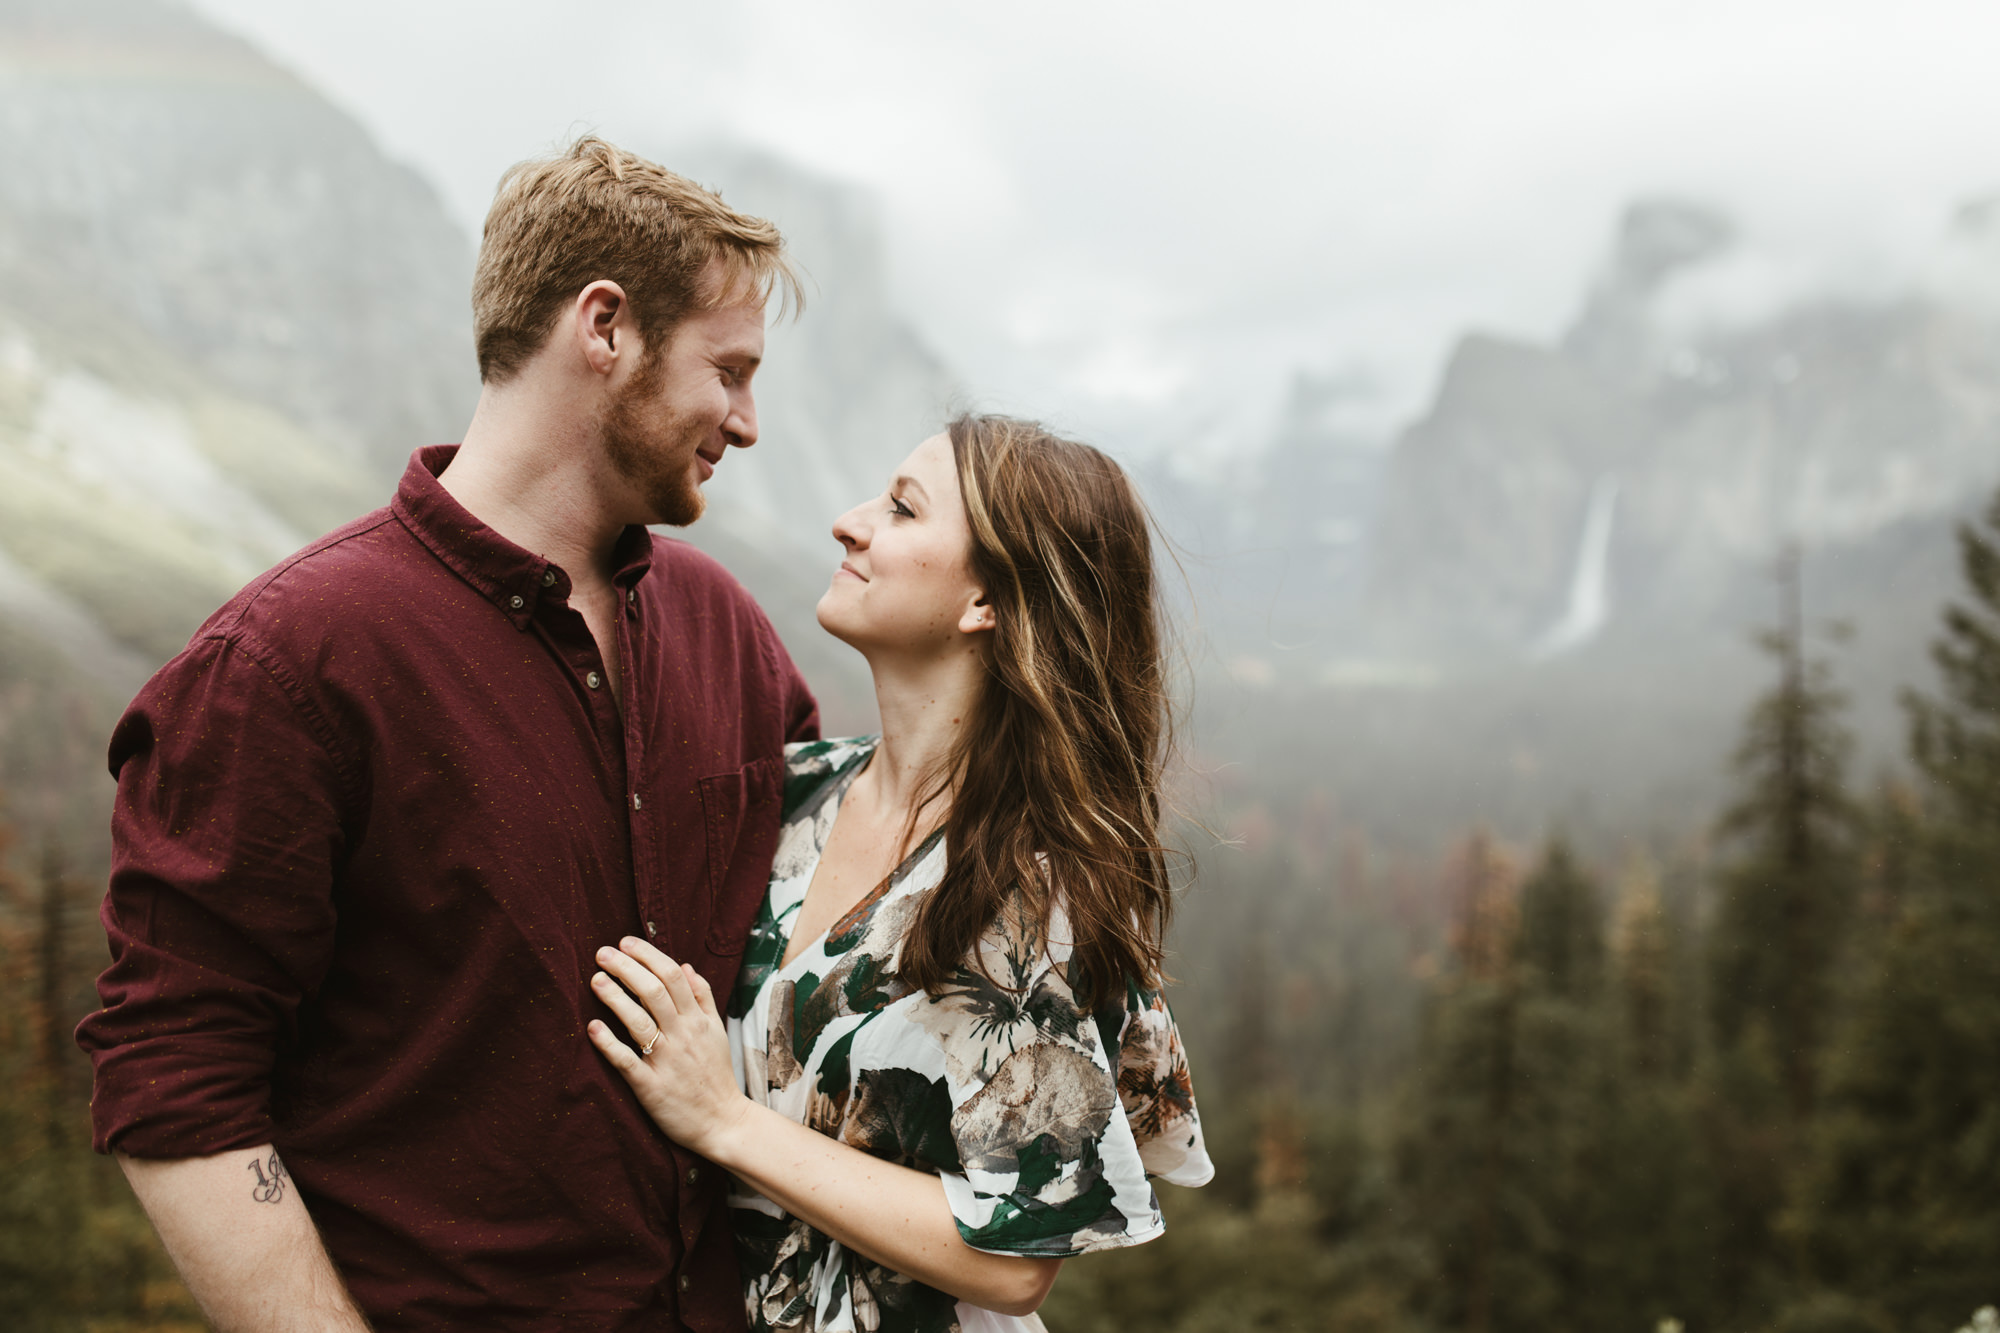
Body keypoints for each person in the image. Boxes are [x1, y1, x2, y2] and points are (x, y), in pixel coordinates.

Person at [75, 137, 817, 1332]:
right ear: (605, 326)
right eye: (726, 370)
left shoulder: (728, 631)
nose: (745, 421)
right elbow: (176, 1080)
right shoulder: (288, 664)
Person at [586, 415, 1213, 1333]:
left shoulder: (1022, 890)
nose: (849, 521)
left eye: (901, 509)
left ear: (985, 602)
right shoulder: (795, 793)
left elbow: (1014, 1261)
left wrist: (723, 1119)